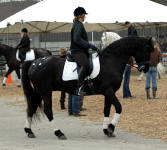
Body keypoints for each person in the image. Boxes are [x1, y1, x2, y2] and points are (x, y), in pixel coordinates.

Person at [70, 7, 98, 95]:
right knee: (85, 64)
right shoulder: (78, 24)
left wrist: (92, 49)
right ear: (80, 15)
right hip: (77, 51)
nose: (85, 16)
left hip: (82, 50)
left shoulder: (78, 24)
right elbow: (77, 39)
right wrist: (90, 46)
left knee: (96, 55)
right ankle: (79, 88)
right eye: (84, 14)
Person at [123, 21, 138, 99]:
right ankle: (125, 95)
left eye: (126, 25)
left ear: (128, 24)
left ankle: (128, 94)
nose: (126, 27)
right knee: (126, 80)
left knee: (127, 80)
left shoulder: (131, 29)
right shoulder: (131, 29)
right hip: (127, 65)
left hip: (128, 64)